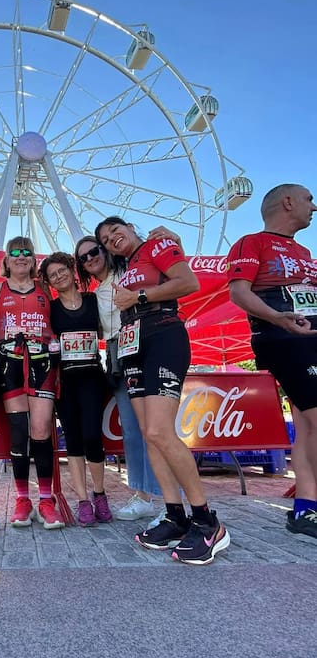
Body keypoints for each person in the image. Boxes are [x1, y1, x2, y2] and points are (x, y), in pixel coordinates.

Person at [95, 216, 231, 565]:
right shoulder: (124, 270)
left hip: (163, 335)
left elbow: (188, 281)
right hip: (133, 344)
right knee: (148, 433)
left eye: (115, 231)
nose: (113, 239)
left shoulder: (157, 245)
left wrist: (141, 294)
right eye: (107, 240)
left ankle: (207, 521)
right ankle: (175, 515)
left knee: (160, 430)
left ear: (130, 226)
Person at [228, 183, 317, 540]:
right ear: (288, 202)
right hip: (283, 340)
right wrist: (278, 318)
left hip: (309, 336)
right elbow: (238, 291)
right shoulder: (253, 243)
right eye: (309, 199)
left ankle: (305, 508)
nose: (314, 206)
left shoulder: (305, 250)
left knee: (307, 425)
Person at [76, 234, 162, 521]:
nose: (90, 258)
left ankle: (169, 494)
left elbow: (164, 268)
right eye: (83, 258)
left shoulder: (130, 270)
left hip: (147, 340)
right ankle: (144, 494)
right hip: (117, 351)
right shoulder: (94, 294)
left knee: (157, 426)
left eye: (93, 251)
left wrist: (169, 237)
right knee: (132, 428)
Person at [0, 237, 64, 530]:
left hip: (42, 364)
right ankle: (23, 499)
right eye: (15, 253)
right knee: (19, 433)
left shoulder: (46, 289)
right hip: (9, 365)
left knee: (42, 429)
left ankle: (46, 500)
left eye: (27, 253)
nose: (21, 257)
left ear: (35, 261)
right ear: (6, 261)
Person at [39, 252, 112, 525]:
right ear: (48, 282)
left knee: (93, 437)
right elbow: (47, 341)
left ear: (72, 270)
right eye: (52, 275)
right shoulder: (51, 309)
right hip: (65, 381)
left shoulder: (94, 301)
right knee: (74, 440)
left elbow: (108, 329)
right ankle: (82, 500)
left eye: (62, 271)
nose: (59, 277)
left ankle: (100, 493)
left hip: (93, 377)